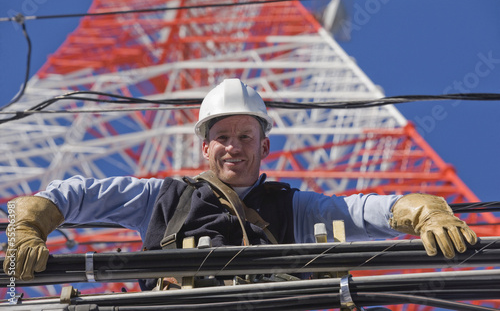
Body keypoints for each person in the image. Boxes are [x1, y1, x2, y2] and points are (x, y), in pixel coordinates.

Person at [3, 78, 477, 283]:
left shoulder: (292, 206)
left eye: (245, 136)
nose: (234, 146)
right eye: (222, 136)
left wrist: (421, 210)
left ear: (264, 147)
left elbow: (357, 211)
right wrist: (30, 221)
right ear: (205, 149)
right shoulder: (163, 198)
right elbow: (81, 194)